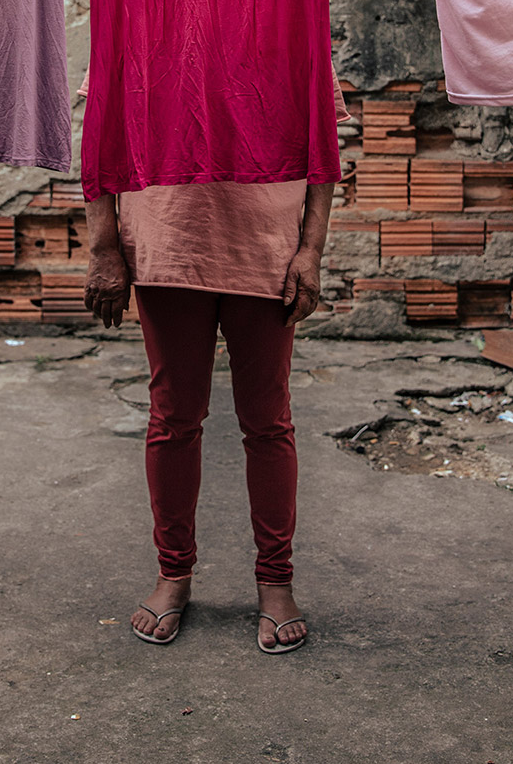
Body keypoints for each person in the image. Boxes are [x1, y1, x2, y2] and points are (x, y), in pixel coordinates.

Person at [85, 178, 334, 654]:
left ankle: (276, 579)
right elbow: (100, 138)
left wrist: (312, 249)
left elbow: (321, 151)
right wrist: (104, 247)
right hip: (168, 238)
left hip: (266, 244)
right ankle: (173, 572)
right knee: (173, 417)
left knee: (268, 422)